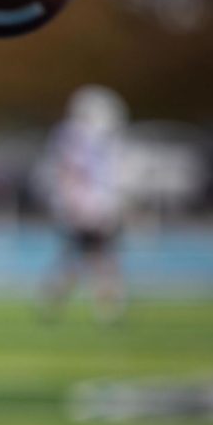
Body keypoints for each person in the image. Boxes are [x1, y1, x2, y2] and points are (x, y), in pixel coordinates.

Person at [40, 84, 129, 323]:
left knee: (80, 259)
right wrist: (76, 205)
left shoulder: (84, 137)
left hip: (89, 208)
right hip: (89, 209)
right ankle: (106, 309)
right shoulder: (78, 137)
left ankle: (54, 301)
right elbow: (71, 174)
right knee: (98, 259)